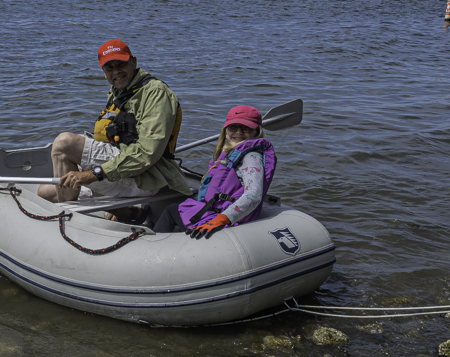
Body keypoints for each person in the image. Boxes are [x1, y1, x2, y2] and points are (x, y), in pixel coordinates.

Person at [37, 39, 190, 209]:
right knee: (45, 192)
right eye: (109, 67)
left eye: (121, 64)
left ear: (133, 62)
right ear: (104, 72)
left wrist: (93, 174)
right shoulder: (119, 92)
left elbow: (147, 154)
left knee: (64, 143)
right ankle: (128, 213)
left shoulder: (155, 93)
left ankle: (68, 215)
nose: (116, 71)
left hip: (147, 176)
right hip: (123, 166)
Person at [153, 105, 276, 238]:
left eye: (246, 128)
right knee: (176, 208)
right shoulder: (233, 153)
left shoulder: (251, 157)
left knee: (171, 211)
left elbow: (254, 194)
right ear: (226, 131)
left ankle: (155, 244)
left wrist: (223, 219)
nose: (239, 132)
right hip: (217, 210)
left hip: (226, 219)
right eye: (233, 127)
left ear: (256, 132)